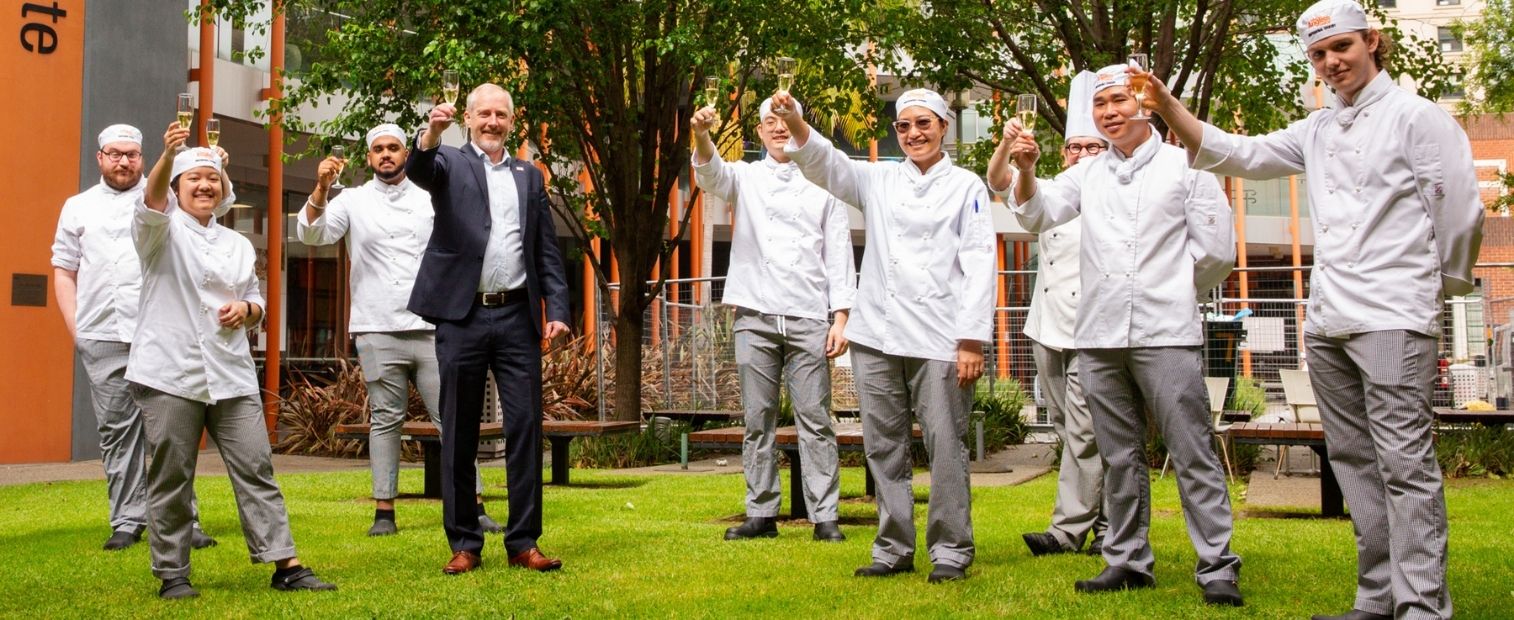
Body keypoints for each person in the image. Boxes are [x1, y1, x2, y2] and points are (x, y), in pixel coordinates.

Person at [1145, 1, 1484, 616]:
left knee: (1404, 465)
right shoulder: (1318, 128)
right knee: (1353, 460)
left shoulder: (1417, 117)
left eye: (1341, 48)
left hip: (1394, 312)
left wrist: (1441, 286)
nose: (1331, 62)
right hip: (1328, 318)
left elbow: (1458, 209)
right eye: (1319, 54)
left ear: (1371, 42)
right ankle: (1377, 597)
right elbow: (1239, 154)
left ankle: (1422, 606)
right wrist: (1168, 106)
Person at [999, 65, 1242, 606]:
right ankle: (1127, 559)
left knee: (1192, 450)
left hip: (1166, 331)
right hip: (1099, 334)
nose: (1109, 113)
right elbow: (1036, 214)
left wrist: (1171, 288)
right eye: (1101, 104)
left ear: (1145, 105)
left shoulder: (1187, 165)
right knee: (1117, 455)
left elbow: (1217, 253)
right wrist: (1028, 169)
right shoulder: (1087, 173)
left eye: (1119, 101)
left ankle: (1217, 566)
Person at [771, 88, 996, 583]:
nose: (914, 133)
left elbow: (981, 261)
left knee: (946, 446)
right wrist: (796, 120)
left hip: (941, 336)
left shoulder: (967, 185)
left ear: (944, 127)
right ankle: (893, 548)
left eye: (924, 123)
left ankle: (951, 550)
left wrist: (971, 339)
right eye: (904, 126)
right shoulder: (879, 178)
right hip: (876, 333)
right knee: (883, 447)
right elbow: (825, 163)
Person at [130, 124, 335, 599]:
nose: (205, 186)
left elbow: (256, 301)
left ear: (223, 189)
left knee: (256, 467)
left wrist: (246, 310)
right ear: (176, 187)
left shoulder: (237, 243)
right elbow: (151, 199)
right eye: (193, 179)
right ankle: (173, 573)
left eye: (212, 179)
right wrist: (168, 154)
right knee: (171, 475)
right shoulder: (158, 230)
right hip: (169, 372)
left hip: (231, 372)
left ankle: (286, 564)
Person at [298, 123, 501, 537]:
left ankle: (474, 505)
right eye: (379, 149)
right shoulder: (352, 200)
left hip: (432, 324)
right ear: (369, 158)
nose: (386, 154)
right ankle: (384, 512)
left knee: (452, 418)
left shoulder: (431, 195)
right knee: (385, 420)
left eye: (393, 148)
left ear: (407, 154)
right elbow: (313, 233)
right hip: (376, 325)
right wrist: (321, 189)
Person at [406, 83, 572, 575]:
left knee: (526, 428)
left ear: (511, 122)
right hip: (464, 316)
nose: (492, 122)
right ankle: (465, 543)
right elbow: (418, 169)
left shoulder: (530, 175)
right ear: (469, 118)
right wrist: (431, 132)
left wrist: (557, 308)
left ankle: (524, 542)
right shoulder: (448, 162)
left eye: (501, 115)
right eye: (484, 114)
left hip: (518, 316)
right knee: (459, 429)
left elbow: (545, 248)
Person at [691, 97, 857, 543]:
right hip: (755, 313)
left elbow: (839, 251)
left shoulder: (822, 181)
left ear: (797, 124)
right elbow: (711, 174)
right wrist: (702, 136)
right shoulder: (745, 177)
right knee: (757, 418)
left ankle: (825, 516)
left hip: (808, 314)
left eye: (785, 120)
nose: (778, 128)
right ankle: (761, 513)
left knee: (815, 418)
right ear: (760, 132)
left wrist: (841, 317)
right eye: (770, 122)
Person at [51, 124, 217, 552]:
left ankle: (184, 519)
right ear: (100, 158)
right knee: (116, 431)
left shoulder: (166, 197)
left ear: (143, 158)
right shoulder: (77, 206)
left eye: (132, 154)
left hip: (159, 331)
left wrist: (214, 166)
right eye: (115, 154)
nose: (124, 161)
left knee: (171, 431)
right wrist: (76, 328)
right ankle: (127, 519)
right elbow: (64, 269)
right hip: (101, 332)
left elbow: (210, 216)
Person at [988, 72, 1108, 558]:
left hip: (1092, 329)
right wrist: (1010, 147)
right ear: (1065, 154)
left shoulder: (1115, 194)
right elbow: (1000, 184)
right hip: (1046, 326)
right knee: (1066, 427)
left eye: (1093, 147)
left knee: (1084, 431)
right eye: (1075, 147)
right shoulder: (1051, 188)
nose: (1082, 154)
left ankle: (1067, 530)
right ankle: (1107, 526)